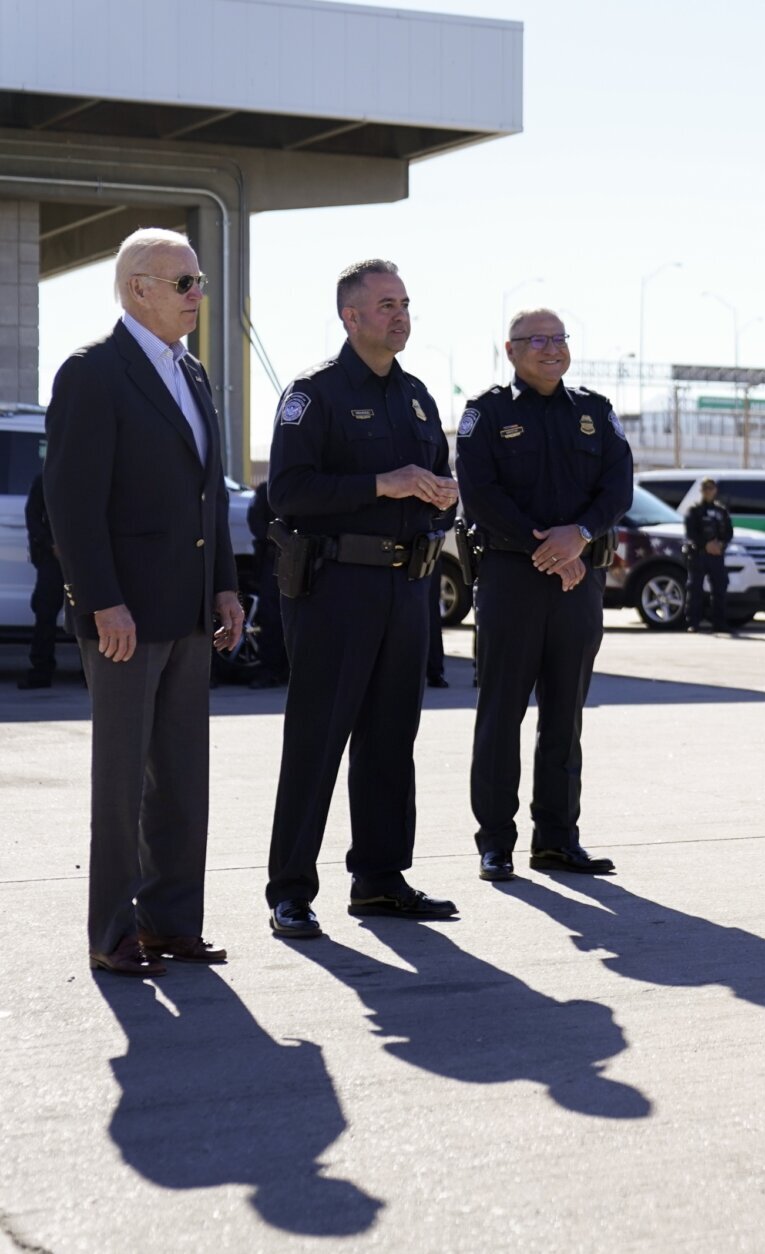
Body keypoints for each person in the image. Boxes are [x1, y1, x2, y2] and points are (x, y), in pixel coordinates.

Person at [42, 226, 244, 975]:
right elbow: (71, 501)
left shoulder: (192, 373)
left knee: (183, 778)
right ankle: (112, 933)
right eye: (185, 283)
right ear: (138, 289)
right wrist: (101, 601)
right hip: (124, 616)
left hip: (188, 610)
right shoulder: (93, 372)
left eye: (199, 282)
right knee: (123, 782)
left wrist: (224, 584)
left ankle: (171, 924)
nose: (198, 295)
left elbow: (207, 494)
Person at [263, 259, 459, 940]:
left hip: (407, 587)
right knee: (317, 740)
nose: (400, 316)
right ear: (350, 317)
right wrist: (382, 483)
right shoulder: (314, 394)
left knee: (391, 739)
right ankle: (290, 890)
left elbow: (435, 484)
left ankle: (380, 879)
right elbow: (287, 491)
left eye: (404, 303)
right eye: (385, 305)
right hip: (336, 588)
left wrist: (442, 497)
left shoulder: (417, 397)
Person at [456, 308, 633, 884]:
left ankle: (557, 839)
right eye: (538, 340)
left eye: (560, 339)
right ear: (510, 350)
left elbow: (618, 487)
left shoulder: (594, 412)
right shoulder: (487, 412)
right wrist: (550, 549)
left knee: (565, 715)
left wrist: (578, 536)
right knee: (501, 713)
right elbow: (480, 493)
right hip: (512, 579)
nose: (552, 349)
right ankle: (495, 843)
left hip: (578, 582)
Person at [18, 472, 62, 689]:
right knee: (45, 613)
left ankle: (89, 675)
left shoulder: (90, 475)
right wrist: (50, 544)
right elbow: (33, 517)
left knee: (87, 615)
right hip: (52, 558)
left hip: (83, 558)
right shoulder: (46, 477)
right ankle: (41, 672)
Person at [245, 480, 289, 688]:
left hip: (303, 560)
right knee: (270, 619)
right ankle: (269, 670)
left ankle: (288, 671)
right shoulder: (267, 490)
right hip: (273, 561)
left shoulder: (304, 486)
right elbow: (256, 523)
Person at [683, 478, 733, 633]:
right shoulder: (694, 510)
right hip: (699, 555)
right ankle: (693, 622)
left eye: (711, 488)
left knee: (720, 589)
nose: (708, 491)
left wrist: (721, 544)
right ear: (701, 491)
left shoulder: (721, 511)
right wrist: (705, 544)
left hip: (717, 556)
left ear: (715, 490)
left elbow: (729, 532)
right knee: (695, 589)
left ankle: (719, 623)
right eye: (705, 488)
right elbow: (690, 533)